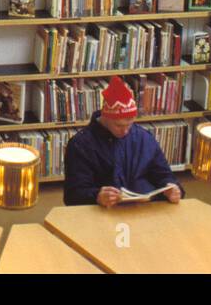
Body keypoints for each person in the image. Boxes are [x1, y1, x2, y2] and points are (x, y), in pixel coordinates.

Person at [63, 76, 184, 207]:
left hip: (143, 211)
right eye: (119, 125)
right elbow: (72, 195)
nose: (126, 131)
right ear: (105, 117)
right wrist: (97, 195)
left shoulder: (143, 137)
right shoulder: (80, 144)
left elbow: (164, 175)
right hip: (102, 214)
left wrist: (173, 189)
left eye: (130, 125)